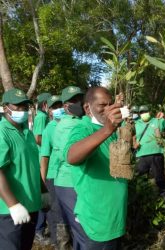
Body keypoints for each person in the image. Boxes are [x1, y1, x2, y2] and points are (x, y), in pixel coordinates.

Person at [64, 86, 127, 249]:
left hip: (114, 219)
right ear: (87, 108)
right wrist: (107, 129)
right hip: (97, 223)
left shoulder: (110, 129)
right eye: (102, 105)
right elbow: (72, 156)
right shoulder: (83, 128)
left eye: (110, 104)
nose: (108, 109)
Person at [0, 88, 42, 250]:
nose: (22, 110)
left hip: (31, 205)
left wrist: (43, 191)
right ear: (5, 108)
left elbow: (32, 164)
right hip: (9, 211)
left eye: (25, 106)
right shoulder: (2, 132)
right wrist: (13, 205)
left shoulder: (26, 131)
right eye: (17, 106)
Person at [53, 86, 85, 249]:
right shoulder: (66, 125)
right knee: (81, 229)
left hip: (76, 181)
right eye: (73, 101)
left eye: (79, 99)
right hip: (68, 182)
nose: (78, 103)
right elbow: (72, 156)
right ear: (65, 106)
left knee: (80, 228)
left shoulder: (79, 121)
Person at [40, 95, 71, 249]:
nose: (58, 109)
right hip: (53, 176)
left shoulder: (71, 123)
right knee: (55, 211)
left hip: (69, 176)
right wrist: (43, 181)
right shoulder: (49, 129)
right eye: (54, 107)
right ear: (49, 111)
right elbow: (44, 157)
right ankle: (59, 243)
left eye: (60, 105)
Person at [134, 105, 165, 197]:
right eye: (141, 112)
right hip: (141, 154)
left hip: (156, 153)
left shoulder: (157, 121)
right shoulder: (136, 123)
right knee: (141, 178)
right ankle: (144, 198)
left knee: (159, 176)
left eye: (145, 111)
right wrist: (133, 143)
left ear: (149, 112)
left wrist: (164, 115)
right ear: (139, 114)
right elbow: (131, 136)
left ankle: (164, 196)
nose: (144, 114)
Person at [33, 92, 51, 244]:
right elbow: (38, 137)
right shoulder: (41, 117)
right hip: (42, 158)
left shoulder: (42, 116)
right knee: (45, 195)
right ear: (45, 104)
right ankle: (38, 230)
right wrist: (50, 144)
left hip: (43, 157)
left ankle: (41, 227)